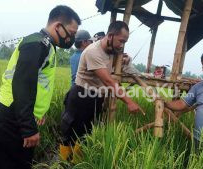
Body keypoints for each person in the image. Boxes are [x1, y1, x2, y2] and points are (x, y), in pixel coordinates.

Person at [0, 5, 80, 169]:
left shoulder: (47, 46)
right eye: (71, 33)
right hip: (11, 117)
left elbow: (39, 83)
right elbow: (23, 84)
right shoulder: (37, 44)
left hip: (14, 115)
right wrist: (28, 127)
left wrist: (37, 112)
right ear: (58, 26)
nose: (72, 38)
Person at [59, 21, 142, 162]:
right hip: (81, 97)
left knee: (85, 135)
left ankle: (78, 164)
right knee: (70, 135)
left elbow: (118, 60)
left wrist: (125, 59)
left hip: (96, 99)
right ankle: (63, 164)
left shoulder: (112, 50)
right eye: (121, 41)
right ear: (110, 36)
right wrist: (129, 102)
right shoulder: (93, 51)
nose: (122, 45)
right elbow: (109, 81)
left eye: (125, 42)